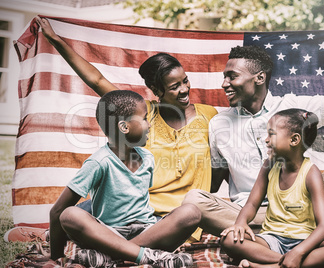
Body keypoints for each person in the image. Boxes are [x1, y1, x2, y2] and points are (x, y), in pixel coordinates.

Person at [183, 45, 324, 236]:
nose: (224, 84)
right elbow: (213, 181)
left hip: (297, 207)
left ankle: (266, 237)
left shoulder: (295, 107)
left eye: (232, 76)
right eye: (225, 77)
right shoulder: (218, 124)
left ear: (259, 78)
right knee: (195, 199)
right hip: (246, 213)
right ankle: (283, 233)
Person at [35, 16, 217, 239]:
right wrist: (55, 41)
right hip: (133, 207)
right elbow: (96, 80)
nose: (185, 89)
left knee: (81, 226)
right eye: (174, 86)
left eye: (185, 81)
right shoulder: (143, 113)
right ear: (155, 90)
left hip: (171, 217)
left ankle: (99, 242)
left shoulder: (209, 116)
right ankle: (48, 234)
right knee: (68, 218)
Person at [47, 89, 199, 267]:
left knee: (191, 213)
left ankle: (113, 257)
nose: (149, 125)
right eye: (144, 119)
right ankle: (149, 256)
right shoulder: (99, 162)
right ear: (124, 127)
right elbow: (57, 211)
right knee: (70, 215)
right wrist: (55, 257)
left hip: (147, 231)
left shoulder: (148, 158)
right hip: (108, 234)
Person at [220, 108, 324, 267]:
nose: (266, 140)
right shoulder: (269, 166)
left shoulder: (311, 174)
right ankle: (285, 264)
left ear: (294, 140)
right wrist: (241, 222)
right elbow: (251, 204)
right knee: (229, 240)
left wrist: (299, 251)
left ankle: (270, 265)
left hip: (305, 243)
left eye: (272, 134)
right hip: (271, 240)